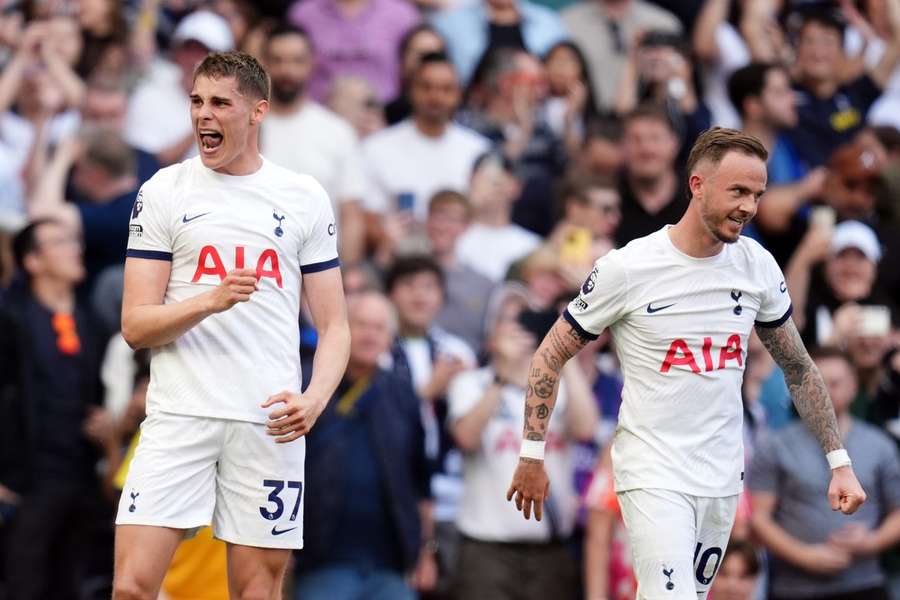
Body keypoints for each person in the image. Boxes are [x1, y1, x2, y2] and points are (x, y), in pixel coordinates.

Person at [506, 127, 867, 600]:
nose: (749, 206)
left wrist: (838, 462)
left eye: (757, 194)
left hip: (720, 475)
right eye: (737, 191)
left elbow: (797, 367)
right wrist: (531, 453)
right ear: (697, 185)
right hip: (652, 470)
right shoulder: (630, 267)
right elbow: (550, 354)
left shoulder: (757, 265)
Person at [112, 51, 350, 600]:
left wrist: (314, 400)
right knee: (130, 587)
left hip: (266, 423)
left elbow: (335, 327)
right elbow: (135, 324)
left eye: (220, 103)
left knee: (257, 592)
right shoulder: (164, 191)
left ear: (258, 111)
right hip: (180, 414)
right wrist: (208, 301)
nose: (203, 116)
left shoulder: (303, 196)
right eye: (196, 101)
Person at [449, 294, 596, 600]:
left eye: (526, 322)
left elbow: (586, 429)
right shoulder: (472, 383)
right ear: (492, 332)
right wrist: (502, 376)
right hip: (487, 551)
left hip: (550, 552)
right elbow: (466, 437)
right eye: (510, 321)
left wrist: (559, 350)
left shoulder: (559, 386)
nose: (521, 332)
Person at [295, 291, 435, 600]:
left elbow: (420, 483)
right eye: (361, 325)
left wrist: (425, 552)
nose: (370, 335)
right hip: (320, 563)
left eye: (380, 328)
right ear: (342, 329)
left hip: (390, 568)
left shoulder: (401, 394)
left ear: (391, 338)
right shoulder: (307, 383)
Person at [0, 218, 112, 599]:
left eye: (74, 240)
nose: (74, 248)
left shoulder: (89, 322)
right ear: (32, 261)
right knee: (25, 584)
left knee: (72, 585)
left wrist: (105, 425)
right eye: (60, 242)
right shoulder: (9, 319)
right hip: (26, 482)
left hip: (80, 478)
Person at [749, 347, 900, 600]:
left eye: (835, 383)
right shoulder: (776, 445)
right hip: (794, 587)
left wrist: (871, 542)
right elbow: (758, 516)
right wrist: (804, 555)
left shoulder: (879, 445)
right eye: (817, 383)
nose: (826, 392)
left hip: (865, 583)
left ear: (854, 386)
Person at [260, 24, 368, 263]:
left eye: (297, 61)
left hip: (320, 269)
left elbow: (351, 214)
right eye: (277, 60)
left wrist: (346, 277)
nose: (286, 70)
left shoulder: (337, 132)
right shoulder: (244, 126)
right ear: (264, 64)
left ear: (311, 64)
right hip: (254, 267)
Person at [362, 51, 490, 221]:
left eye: (446, 89)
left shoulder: (478, 150)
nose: (436, 97)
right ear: (410, 90)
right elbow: (368, 215)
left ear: (459, 94)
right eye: (426, 87)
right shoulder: (375, 148)